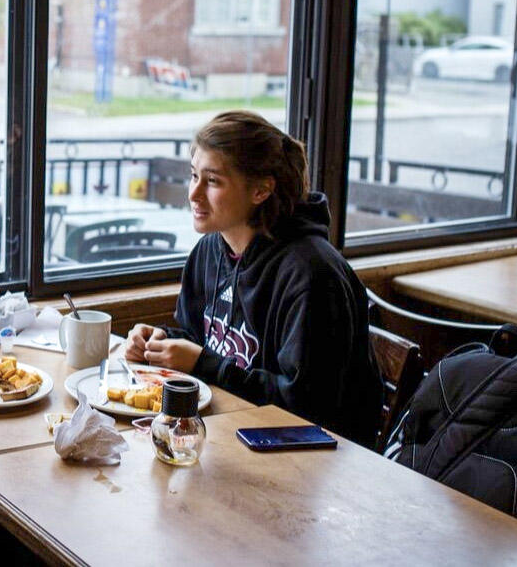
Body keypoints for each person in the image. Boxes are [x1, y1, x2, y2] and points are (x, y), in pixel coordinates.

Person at [123, 110, 382, 445]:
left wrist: (203, 363)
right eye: (194, 175)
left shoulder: (312, 275)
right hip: (232, 433)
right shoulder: (209, 251)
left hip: (314, 456)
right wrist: (160, 341)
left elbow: (307, 405)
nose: (193, 194)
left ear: (261, 190)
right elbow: (198, 337)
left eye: (213, 181)